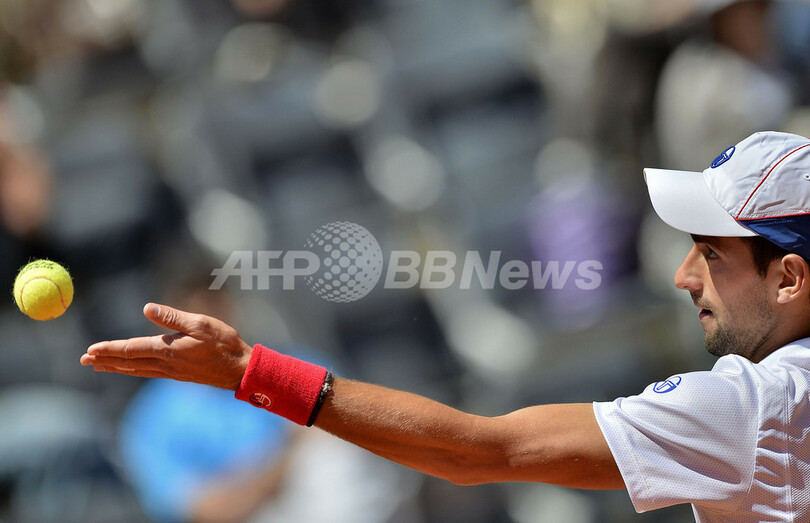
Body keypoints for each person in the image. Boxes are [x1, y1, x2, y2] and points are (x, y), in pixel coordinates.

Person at [82, 131, 810, 521]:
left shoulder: (751, 409)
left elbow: (479, 450)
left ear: (788, 278)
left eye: (713, 253)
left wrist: (253, 373)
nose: (684, 275)